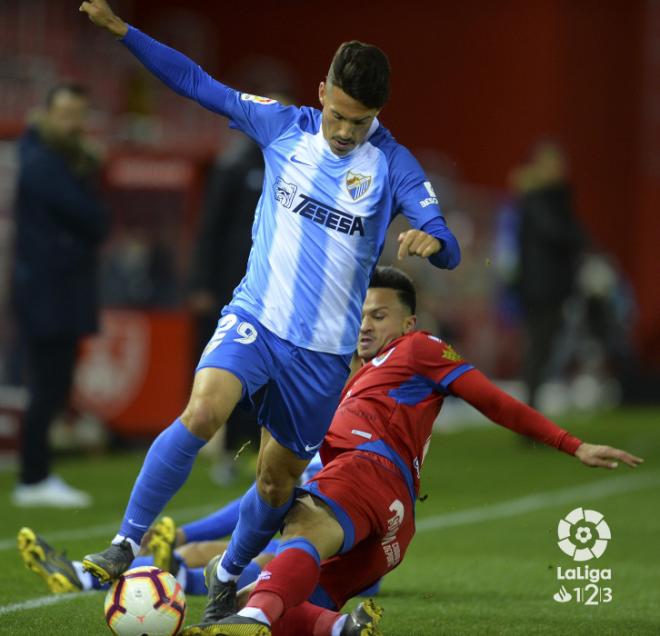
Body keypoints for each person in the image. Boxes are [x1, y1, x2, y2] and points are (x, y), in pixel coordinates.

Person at [77, 1, 461, 626]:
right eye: (337, 114)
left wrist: (433, 242)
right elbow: (199, 84)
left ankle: (226, 577)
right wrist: (124, 34)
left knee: (278, 483)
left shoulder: (392, 165)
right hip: (258, 317)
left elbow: (446, 239)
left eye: (358, 122)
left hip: (322, 355)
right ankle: (126, 542)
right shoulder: (282, 125)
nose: (342, 131)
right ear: (320, 94)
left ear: (377, 115)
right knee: (203, 411)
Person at [200, 266, 643, 636]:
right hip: (393, 525)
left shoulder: (418, 349)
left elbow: (492, 400)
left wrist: (572, 444)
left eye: (379, 315)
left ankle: (242, 605)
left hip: (365, 474)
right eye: (361, 315)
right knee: (281, 600)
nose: (365, 325)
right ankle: (339, 627)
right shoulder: (354, 377)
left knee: (300, 527)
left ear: (408, 323)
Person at [11, 83, 109, 508]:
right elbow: (92, 218)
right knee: (46, 386)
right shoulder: (42, 162)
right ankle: (33, 478)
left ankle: (39, 473)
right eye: (66, 113)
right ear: (48, 114)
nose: (74, 123)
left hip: (59, 290)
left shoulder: (61, 160)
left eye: (79, 113)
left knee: (56, 383)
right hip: (45, 292)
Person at [516, 142, 586, 408]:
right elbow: (558, 233)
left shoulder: (552, 198)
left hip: (551, 286)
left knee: (544, 351)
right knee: (538, 351)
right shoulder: (538, 200)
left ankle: (530, 412)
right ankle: (528, 414)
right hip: (540, 288)